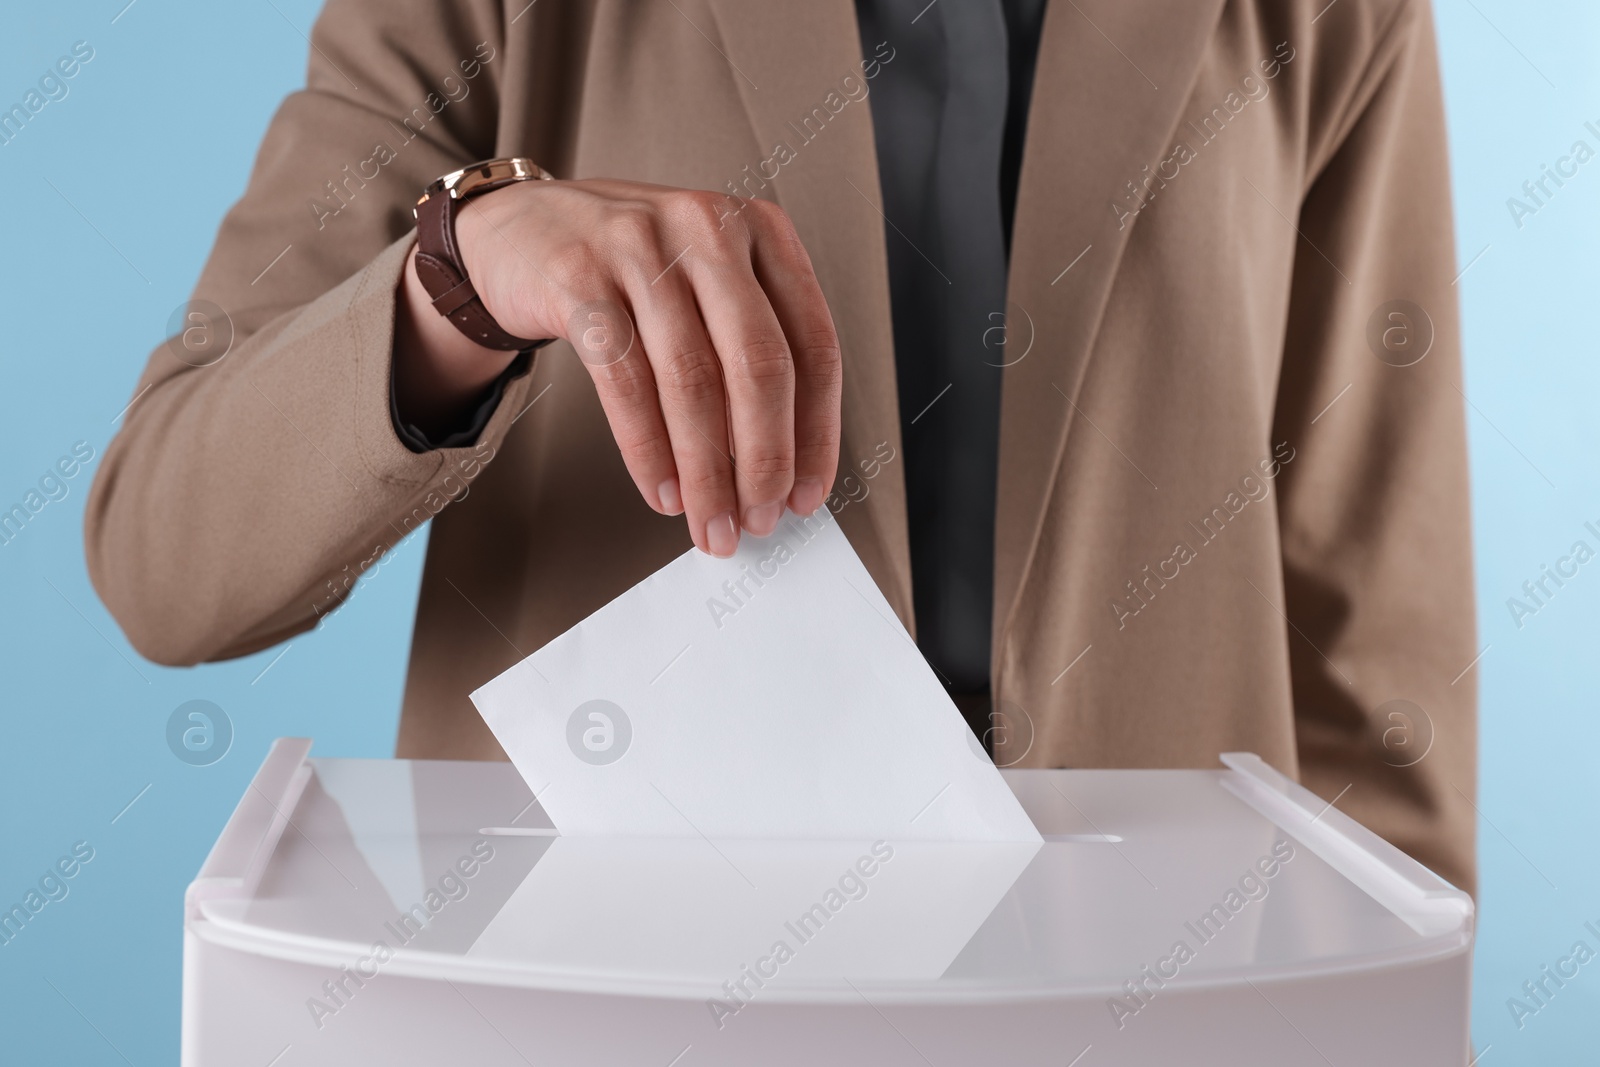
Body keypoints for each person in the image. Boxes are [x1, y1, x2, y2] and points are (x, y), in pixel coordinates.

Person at [85, 0, 1478, 892]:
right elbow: (164, 557)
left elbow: (1374, 661)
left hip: (1160, 1003)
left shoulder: (1337, 19)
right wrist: (462, 273)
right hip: (600, 1002)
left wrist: (1410, 1014)